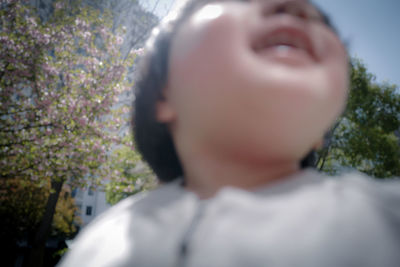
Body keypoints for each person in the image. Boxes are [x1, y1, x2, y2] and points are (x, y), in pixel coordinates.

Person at [58, 0, 400, 266]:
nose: (297, 8)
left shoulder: (386, 215)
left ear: (320, 133)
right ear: (164, 93)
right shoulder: (101, 240)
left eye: (321, 20)